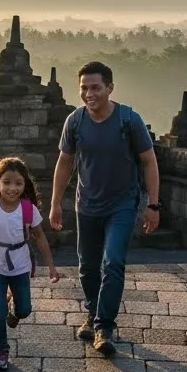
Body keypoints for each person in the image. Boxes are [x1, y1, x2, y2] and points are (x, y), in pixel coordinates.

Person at [49, 61, 161, 357]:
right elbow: (64, 162)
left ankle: (104, 325)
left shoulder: (128, 120)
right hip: (87, 204)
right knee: (87, 266)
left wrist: (153, 204)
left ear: (110, 88)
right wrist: (55, 202)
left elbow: (149, 161)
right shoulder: (75, 121)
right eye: (84, 88)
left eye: (95, 87)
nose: (89, 94)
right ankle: (92, 312)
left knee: (112, 263)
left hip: (123, 204)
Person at [0, 156, 59, 372]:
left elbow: (40, 237)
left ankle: (13, 313)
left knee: (24, 308)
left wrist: (50, 265)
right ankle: (1, 350)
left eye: (18, 183)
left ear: (25, 185)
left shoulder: (28, 209)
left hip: (21, 262)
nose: (12, 188)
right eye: (6, 182)